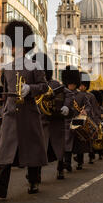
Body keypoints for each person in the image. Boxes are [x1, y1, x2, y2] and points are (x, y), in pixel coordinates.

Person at [0, 20, 48, 198]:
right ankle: (1, 185)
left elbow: (44, 87)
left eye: (15, 45)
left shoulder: (35, 66)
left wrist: (31, 89)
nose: (12, 48)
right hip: (11, 113)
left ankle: (34, 180)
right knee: (6, 149)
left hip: (28, 112)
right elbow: (5, 91)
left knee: (32, 150)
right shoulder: (6, 68)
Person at [34, 52, 69, 180]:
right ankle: (35, 175)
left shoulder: (55, 84)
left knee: (58, 148)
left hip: (54, 121)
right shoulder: (33, 85)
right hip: (39, 122)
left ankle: (60, 168)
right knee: (38, 150)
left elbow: (68, 95)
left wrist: (65, 106)